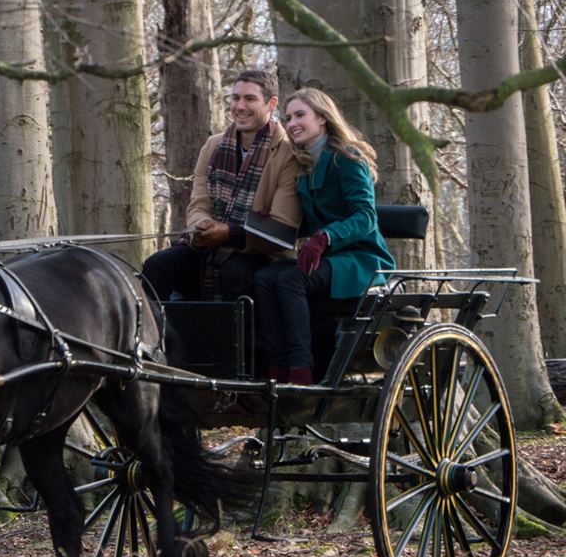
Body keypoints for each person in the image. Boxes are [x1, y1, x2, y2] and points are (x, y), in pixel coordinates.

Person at [253, 88, 395, 385]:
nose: (291, 123)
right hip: (328, 259)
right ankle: (276, 369)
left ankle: (301, 370)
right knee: (265, 277)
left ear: (322, 117)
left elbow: (366, 216)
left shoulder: (347, 158)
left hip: (361, 260)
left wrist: (325, 237)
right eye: (288, 117)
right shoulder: (304, 164)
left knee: (292, 279)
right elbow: (304, 219)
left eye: (300, 115)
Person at [141, 69, 303, 303]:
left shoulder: (289, 153)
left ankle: (241, 340)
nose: (239, 106)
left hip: (262, 252)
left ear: (272, 104)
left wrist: (228, 234)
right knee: (158, 265)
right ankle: (158, 338)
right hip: (208, 246)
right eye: (235, 98)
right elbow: (198, 204)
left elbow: (281, 226)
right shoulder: (213, 145)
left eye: (250, 99)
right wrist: (202, 226)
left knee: (235, 273)